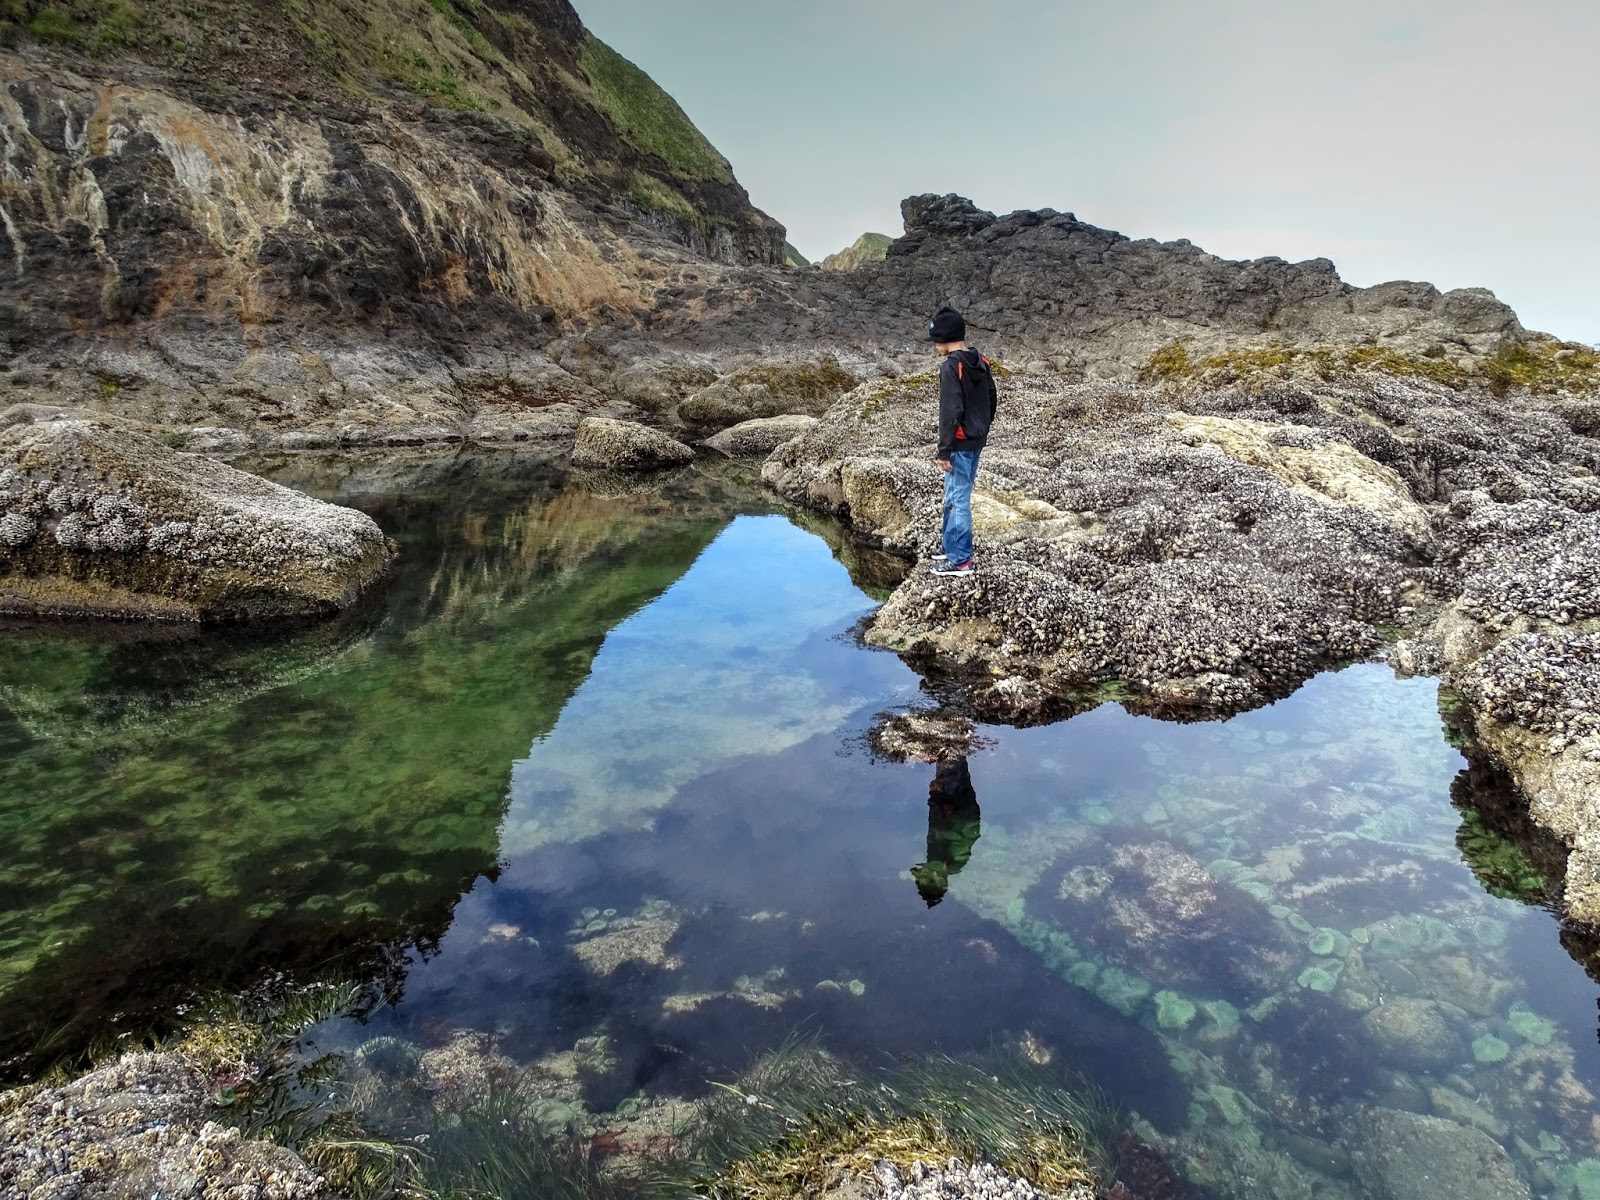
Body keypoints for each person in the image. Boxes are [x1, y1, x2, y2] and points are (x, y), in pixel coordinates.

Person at [926, 306, 999, 576]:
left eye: (935, 341)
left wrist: (944, 450)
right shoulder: (979, 360)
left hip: (959, 444)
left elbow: (950, 411)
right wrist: (981, 431)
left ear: (945, 338)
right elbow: (992, 399)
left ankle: (960, 561)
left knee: (958, 500)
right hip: (974, 440)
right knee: (953, 496)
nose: (935, 347)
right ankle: (950, 546)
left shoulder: (951, 367)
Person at [909, 756, 982, 907]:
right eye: (924, 872)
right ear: (935, 875)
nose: (923, 867)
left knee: (955, 763)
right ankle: (954, 745)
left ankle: (957, 745)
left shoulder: (937, 861)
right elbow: (939, 826)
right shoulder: (953, 857)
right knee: (950, 761)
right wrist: (936, 796)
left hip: (956, 804)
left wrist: (936, 799)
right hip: (958, 804)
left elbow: (936, 826)